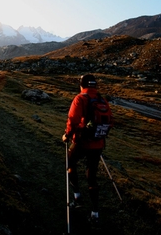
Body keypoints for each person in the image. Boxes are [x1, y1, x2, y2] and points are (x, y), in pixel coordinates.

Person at [62, 74, 114, 224]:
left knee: (70, 163)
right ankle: (95, 213)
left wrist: (67, 135)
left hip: (82, 142)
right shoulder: (102, 100)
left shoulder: (80, 98)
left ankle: (77, 196)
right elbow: (110, 121)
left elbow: (73, 120)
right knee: (92, 176)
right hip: (98, 144)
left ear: (82, 85)